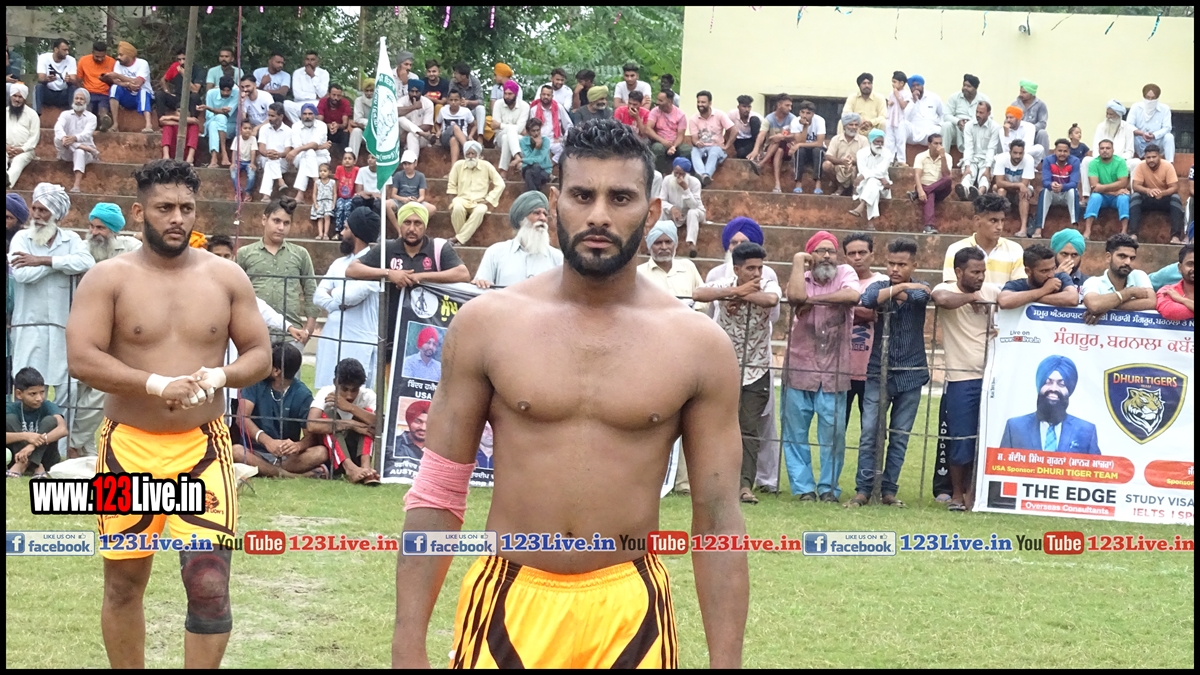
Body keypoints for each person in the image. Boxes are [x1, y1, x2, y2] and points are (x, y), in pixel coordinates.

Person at [392, 118, 748, 669]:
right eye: (583, 195)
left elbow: (718, 517)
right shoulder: (489, 325)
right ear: (556, 202)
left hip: (632, 612)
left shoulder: (698, 346)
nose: (599, 215)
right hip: (507, 601)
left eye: (620, 197)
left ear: (652, 211)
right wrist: (407, 643)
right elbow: (439, 492)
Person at [64, 159, 273, 668]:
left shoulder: (226, 276)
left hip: (203, 447)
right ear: (140, 213)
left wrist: (218, 376)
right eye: (164, 208)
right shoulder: (108, 277)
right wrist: (156, 384)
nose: (177, 218)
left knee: (209, 585)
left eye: (186, 208)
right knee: (123, 584)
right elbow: (82, 358)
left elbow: (259, 354)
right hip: (127, 447)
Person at [693, 242, 780, 506]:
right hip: (723, 367)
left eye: (759, 268)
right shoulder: (725, 283)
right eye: (750, 268)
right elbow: (698, 294)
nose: (756, 273)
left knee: (749, 429)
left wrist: (741, 296)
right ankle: (716, 483)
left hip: (757, 368)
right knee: (717, 426)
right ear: (737, 269)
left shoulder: (768, 284)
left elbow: (771, 300)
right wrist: (733, 291)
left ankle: (744, 486)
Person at [848, 238, 928, 509]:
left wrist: (898, 291)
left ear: (914, 265)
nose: (895, 269)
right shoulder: (879, 285)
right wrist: (902, 287)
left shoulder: (922, 286)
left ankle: (889, 491)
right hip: (877, 370)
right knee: (869, 432)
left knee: (899, 435)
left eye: (902, 265)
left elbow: (921, 297)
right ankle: (863, 489)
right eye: (891, 264)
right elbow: (868, 299)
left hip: (912, 372)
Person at [10, 184, 94, 436]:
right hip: (28, 327)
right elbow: (22, 274)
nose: (36, 215)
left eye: (43, 210)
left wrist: (43, 260)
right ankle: (23, 443)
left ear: (57, 214)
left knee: (67, 388)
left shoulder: (72, 240)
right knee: (26, 388)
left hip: (62, 328)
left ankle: (58, 446)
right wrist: (59, 266)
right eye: (34, 208)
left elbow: (86, 262)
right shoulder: (21, 239)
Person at [781, 231, 860, 504]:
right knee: (795, 433)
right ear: (810, 255)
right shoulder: (801, 278)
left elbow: (853, 295)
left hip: (834, 369)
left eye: (831, 251)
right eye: (820, 251)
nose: (826, 256)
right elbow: (795, 297)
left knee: (834, 434)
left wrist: (812, 301)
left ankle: (828, 488)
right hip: (799, 366)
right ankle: (804, 488)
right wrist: (797, 260)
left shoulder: (846, 273)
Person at [345, 202, 469, 360]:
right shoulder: (387, 248)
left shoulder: (438, 248)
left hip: (430, 330)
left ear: (425, 226)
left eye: (417, 223)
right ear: (399, 224)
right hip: (392, 334)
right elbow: (352, 269)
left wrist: (421, 277)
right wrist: (389, 273)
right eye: (407, 222)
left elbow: (463, 274)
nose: (412, 228)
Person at [67, 203, 141, 458]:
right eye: (92, 226)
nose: (94, 232)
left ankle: (75, 443)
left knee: (102, 389)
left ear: (113, 230)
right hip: (80, 326)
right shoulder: (81, 248)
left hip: (116, 330)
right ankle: (84, 450)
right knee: (77, 388)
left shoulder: (131, 249)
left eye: (101, 228)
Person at [931, 248, 999, 511]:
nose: (980, 277)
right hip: (961, 378)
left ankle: (976, 493)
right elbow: (940, 299)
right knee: (961, 438)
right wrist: (971, 297)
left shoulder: (991, 291)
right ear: (959, 272)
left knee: (988, 436)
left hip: (992, 377)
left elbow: (1009, 300)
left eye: (983, 271)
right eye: (974, 272)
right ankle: (957, 494)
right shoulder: (946, 288)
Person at [230, 341, 325, 479]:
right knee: (236, 451)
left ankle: (267, 470)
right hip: (255, 451)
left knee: (321, 452)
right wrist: (268, 441)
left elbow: (310, 436)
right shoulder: (255, 382)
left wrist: (297, 446)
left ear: (276, 371)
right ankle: (290, 475)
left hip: (286, 456)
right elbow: (242, 418)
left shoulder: (303, 394)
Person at [236, 196, 318, 345]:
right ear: (264, 220)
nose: (281, 227)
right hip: (255, 333)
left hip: (291, 336)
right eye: (276, 221)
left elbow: (311, 291)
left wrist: (309, 329)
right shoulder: (245, 253)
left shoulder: (300, 254)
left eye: (286, 223)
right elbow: (236, 293)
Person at [314, 206, 380, 388]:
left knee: (356, 396)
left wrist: (333, 293)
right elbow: (318, 296)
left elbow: (349, 296)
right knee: (326, 395)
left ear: (356, 233)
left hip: (358, 342)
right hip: (331, 339)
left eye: (346, 228)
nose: (342, 233)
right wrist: (338, 303)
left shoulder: (374, 265)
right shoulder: (339, 263)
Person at [999, 355, 1100, 455]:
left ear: (1069, 389)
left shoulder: (1086, 431)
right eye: (1048, 382)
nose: (1054, 389)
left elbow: (1096, 465)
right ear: (1039, 385)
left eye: (1061, 384)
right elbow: (1000, 464)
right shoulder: (1015, 427)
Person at [307, 357, 379, 485]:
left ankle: (366, 468)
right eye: (344, 389)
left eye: (354, 390)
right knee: (328, 414)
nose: (349, 395)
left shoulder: (368, 396)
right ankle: (349, 468)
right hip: (331, 454)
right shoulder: (326, 393)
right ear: (335, 383)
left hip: (355, 450)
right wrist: (350, 424)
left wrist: (350, 408)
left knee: (368, 416)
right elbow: (311, 425)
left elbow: (380, 425)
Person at [841, 233, 887, 429]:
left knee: (872, 430)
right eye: (852, 253)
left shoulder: (883, 282)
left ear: (872, 255)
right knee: (835, 430)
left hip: (873, 370)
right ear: (845, 257)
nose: (857, 257)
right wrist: (864, 312)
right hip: (841, 369)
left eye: (862, 252)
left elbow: (877, 314)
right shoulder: (839, 281)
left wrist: (845, 308)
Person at [473, 190, 562, 289]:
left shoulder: (557, 258)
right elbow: (481, 289)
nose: (543, 218)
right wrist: (480, 283)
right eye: (536, 213)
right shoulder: (496, 252)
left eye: (545, 214)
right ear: (522, 219)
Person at [943, 193, 1027, 286]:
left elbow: (1018, 288)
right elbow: (951, 288)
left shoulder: (1015, 249)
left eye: (1002, 220)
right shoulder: (956, 249)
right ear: (977, 220)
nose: (1000, 227)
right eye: (993, 221)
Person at [6, 367, 67, 478]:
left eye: (42, 392)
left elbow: (63, 430)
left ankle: (23, 465)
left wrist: (32, 445)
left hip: (47, 459)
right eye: (33, 394)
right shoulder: (10, 408)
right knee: (9, 419)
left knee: (50, 421)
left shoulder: (47, 406)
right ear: (19, 394)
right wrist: (25, 436)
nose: (39, 398)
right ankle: (36, 466)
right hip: (17, 456)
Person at [1081, 233, 1155, 323]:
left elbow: (1152, 302)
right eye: (1122, 256)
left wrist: (1106, 306)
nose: (1128, 262)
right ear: (1108, 257)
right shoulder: (1093, 282)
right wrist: (1129, 293)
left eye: (1132, 258)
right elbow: (1094, 305)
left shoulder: (1138, 276)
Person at [445, 141, 505, 245]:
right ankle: (462, 239)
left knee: (481, 210)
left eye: (473, 153)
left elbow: (500, 184)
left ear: (478, 155)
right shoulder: (458, 165)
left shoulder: (486, 165)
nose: (470, 156)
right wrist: (451, 203)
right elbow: (451, 186)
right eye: (468, 154)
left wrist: (489, 199)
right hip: (461, 200)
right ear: (464, 155)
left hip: (479, 202)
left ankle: (457, 239)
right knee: (457, 207)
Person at [636, 220, 704, 308]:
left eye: (668, 242)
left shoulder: (688, 267)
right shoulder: (639, 274)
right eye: (658, 243)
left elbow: (703, 299)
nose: (664, 247)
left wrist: (690, 309)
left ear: (675, 244)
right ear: (649, 246)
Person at [1081, 100, 1140, 199]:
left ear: (1118, 115)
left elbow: (1130, 151)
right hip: (1102, 160)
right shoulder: (1101, 127)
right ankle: (1086, 195)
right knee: (1086, 160)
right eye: (1107, 114)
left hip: (1121, 162)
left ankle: (1134, 196)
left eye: (1111, 114)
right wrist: (1102, 159)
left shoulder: (1128, 128)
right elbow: (1096, 148)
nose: (1108, 117)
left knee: (1136, 162)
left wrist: (1118, 160)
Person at [1130, 143, 1185, 244]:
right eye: (1148, 157)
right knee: (1135, 196)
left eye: (1154, 157)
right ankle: (1133, 234)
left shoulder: (1167, 166)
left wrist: (1163, 193)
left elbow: (1175, 187)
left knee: (1176, 198)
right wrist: (1148, 191)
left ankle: (1176, 237)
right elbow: (1135, 186)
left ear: (1159, 156)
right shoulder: (1141, 166)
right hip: (1148, 197)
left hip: (1164, 198)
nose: (1151, 160)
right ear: (1145, 157)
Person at [997, 245, 1081, 309]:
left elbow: (1073, 299)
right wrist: (1044, 290)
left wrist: (1026, 299)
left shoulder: (1061, 277)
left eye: (1053, 268)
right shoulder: (1016, 285)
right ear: (1028, 271)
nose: (1051, 275)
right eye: (1044, 271)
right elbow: (1004, 301)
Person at [1030, 138, 1081, 239]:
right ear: (1055, 151)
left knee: (1073, 192)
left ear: (1069, 152)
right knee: (1044, 192)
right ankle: (1038, 229)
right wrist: (1051, 185)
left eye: (1065, 151)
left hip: (1067, 193)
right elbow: (1045, 181)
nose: (1062, 153)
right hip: (1052, 192)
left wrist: (1062, 187)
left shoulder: (1075, 161)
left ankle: (1075, 228)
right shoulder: (1048, 160)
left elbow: (1074, 183)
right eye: (1060, 151)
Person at [1081, 139, 1131, 240]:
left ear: (1113, 150)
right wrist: (1114, 192)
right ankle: (1087, 230)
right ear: (1098, 151)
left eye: (1108, 148)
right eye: (1102, 148)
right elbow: (1094, 186)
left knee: (1124, 198)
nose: (1105, 150)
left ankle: (1124, 231)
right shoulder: (1094, 163)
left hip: (1116, 197)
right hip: (1102, 196)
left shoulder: (1120, 162)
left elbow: (1123, 182)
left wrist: (1102, 187)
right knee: (1094, 197)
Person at [53, 89, 100, 192]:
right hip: (67, 152)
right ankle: (86, 148)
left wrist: (74, 138)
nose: (78, 101)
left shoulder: (92, 117)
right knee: (57, 138)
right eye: (76, 98)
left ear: (86, 101)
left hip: (86, 154)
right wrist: (63, 137)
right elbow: (58, 127)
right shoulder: (65, 114)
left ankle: (76, 185)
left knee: (79, 151)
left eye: (81, 99)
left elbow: (87, 134)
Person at [104, 41, 154, 133]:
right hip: (127, 96)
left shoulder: (142, 63)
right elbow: (116, 81)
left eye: (121, 55)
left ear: (129, 55)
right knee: (114, 88)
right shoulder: (118, 64)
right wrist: (127, 84)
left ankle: (148, 125)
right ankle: (115, 124)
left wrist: (118, 76)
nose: (118, 57)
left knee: (143, 92)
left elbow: (137, 83)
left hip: (141, 96)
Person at [987, 139, 1036, 235]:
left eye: (1020, 153)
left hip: (1020, 191)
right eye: (1015, 153)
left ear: (1023, 153)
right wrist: (1018, 184)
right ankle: (997, 225)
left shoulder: (1029, 159)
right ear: (1010, 152)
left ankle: (1023, 229)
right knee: (1000, 190)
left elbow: (1024, 184)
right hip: (1007, 189)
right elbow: (999, 182)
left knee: (1024, 194)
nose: (1017, 156)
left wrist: (1018, 185)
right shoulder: (1001, 158)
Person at [288, 103, 332, 204]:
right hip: (300, 157)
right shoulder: (295, 126)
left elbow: (314, 144)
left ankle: (300, 194)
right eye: (304, 114)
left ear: (315, 115)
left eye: (310, 114)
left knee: (308, 155)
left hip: (321, 158)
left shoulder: (322, 125)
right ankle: (318, 183)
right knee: (309, 153)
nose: (307, 116)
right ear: (301, 115)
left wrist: (299, 149)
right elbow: (298, 145)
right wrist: (320, 146)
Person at [955, 101, 1000, 200]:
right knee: (968, 174)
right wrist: (967, 166)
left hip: (987, 159)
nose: (978, 115)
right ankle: (964, 191)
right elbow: (968, 147)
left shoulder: (995, 127)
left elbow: (991, 148)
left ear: (988, 113)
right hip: (972, 157)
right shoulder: (969, 125)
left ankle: (979, 193)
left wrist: (988, 169)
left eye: (981, 112)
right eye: (977, 112)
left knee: (984, 176)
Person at [688, 90, 734, 186]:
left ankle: (706, 175)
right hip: (701, 147)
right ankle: (703, 176)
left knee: (714, 152)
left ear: (710, 103)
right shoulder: (693, 119)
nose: (700, 104)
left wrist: (727, 146)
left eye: (703, 102)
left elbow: (734, 130)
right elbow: (694, 138)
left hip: (716, 146)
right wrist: (697, 143)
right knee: (694, 151)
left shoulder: (719, 114)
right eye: (698, 102)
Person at [909, 133, 951, 234]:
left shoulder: (947, 157)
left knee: (948, 180)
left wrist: (943, 157)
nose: (939, 146)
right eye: (936, 143)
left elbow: (946, 175)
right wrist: (920, 190)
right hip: (924, 185)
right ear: (929, 144)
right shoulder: (920, 156)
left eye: (940, 143)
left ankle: (916, 194)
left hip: (941, 188)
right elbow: (917, 175)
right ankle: (928, 226)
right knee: (930, 194)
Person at [847, 129, 890, 228]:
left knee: (873, 182)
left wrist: (863, 176)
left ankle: (861, 206)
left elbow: (881, 171)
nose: (880, 144)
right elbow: (863, 170)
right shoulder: (861, 153)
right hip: (865, 185)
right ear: (871, 141)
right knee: (873, 184)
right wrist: (879, 178)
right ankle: (871, 223)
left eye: (882, 142)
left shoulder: (887, 153)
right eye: (877, 141)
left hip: (883, 187)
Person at [750, 95, 795, 187]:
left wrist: (782, 137)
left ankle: (761, 164)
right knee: (778, 146)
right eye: (787, 105)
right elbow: (761, 134)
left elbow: (796, 135)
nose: (790, 108)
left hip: (788, 149)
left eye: (790, 106)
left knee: (779, 141)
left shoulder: (793, 119)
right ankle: (777, 185)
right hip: (772, 149)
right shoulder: (769, 118)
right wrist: (755, 149)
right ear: (779, 105)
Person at [490, 79, 530, 180]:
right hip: (499, 137)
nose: (507, 96)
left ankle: (503, 171)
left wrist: (500, 125)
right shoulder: (498, 104)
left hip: (518, 138)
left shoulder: (525, 106)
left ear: (515, 94)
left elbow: (520, 129)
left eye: (510, 94)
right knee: (507, 133)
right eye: (505, 93)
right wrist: (507, 127)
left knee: (506, 137)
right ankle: (517, 156)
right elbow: (495, 129)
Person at [645, 90, 691, 175]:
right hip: (660, 141)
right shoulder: (655, 111)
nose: (657, 102)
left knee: (687, 150)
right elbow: (648, 129)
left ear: (670, 101)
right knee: (657, 148)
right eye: (657, 99)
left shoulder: (680, 115)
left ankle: (682, 174)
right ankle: (660, 173)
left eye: (661, 100)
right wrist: (663, 141)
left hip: (675, 142)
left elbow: (680, 135)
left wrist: (674, 146)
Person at [941, 74, 989, 153]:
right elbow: (946, 116)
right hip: (957, 129)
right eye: (964, 85)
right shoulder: (954, 97)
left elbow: (989, 118)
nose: (965, 88)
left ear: (975, 88)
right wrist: (958, 121)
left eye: (969, 86)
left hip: (975, 130)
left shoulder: (984, 99)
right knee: (946, 126)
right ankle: (944, 156)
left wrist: (971, 124)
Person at [788, 100, 826, 194]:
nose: (805, 116)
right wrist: (805, 127)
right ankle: (798, 184)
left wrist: (799, 144)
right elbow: (800, 141)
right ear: (799, 112)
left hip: (817, 150)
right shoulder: (795, 122)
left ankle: (818, 184)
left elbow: (819, 143)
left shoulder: (820, 120)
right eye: (803, 112)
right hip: (804, 150)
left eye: (808, 113)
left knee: (817, 151)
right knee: (799, 151)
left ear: (813, 114)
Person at [529, 84, 573, 165]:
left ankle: (551, 163)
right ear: (540, 95)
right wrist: (537, 140)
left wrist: (564, 139)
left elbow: (569, 126)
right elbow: (531, 129)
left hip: (556, 141)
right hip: (540, 141)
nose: (545, 97)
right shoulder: (533, 110)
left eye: (548, 95)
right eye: (544, 94)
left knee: (567, 149)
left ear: (552, 96)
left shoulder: (559, 107)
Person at [823, 113, 866, 197]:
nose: (854, 127)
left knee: (860, 167)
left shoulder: (863, 140)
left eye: (856, 125)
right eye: (851, 124)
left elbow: (867, 159)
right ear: (844, 126)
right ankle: (839, 186)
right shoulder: (836, 139)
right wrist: (841, 161)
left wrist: (853, 161)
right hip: (839, 167)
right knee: (826, 165)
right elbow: (828, 156)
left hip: (856, 168)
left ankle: (855, 189)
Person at [6, 84, 40, 188]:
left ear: (24, 99)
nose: (17, 99)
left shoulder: (32, 114)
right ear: (10, 96)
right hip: (6, 148)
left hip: (25, 151)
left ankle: (7, 187)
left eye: (20, 97)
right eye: (15, 96)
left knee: (17, 163)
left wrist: (21, 149)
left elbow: (34, 137)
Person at [1128, 84, 1174, 161]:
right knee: (1129, 134)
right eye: (1147, 97)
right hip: (1139, 142)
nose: (1150, 101)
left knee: (1169, 137)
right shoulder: (1135, 107)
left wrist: (1154, 135)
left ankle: (1170, 163)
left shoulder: (1165, 109)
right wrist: (1142, 133)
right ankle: (1126, 160)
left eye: (1153, 98)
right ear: (1144, 96)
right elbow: (1129, 125)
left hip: (1156, 142)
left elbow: (1167, 128)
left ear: (1157, 98)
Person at [256, 103, 291, 201]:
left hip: (282, 162)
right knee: (270, 161)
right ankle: (280, 181)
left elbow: (287, 152)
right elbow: (261, 149)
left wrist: (277, 155)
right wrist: (268, 154)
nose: (270, 118)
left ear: (281, 116)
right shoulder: (264, 128)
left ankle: (266, 196)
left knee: (270, 162)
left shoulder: (288, 131)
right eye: (269, 115)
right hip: (265, 159)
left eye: (273, 116)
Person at [34, 38, 78, 114]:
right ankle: (37, 114)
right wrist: (47, 79)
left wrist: (69, 80)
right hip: (49, 93)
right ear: (56, 49)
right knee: (38, 87)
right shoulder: (43, 58)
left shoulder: (71, 60)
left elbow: (74, 80)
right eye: (64, 50)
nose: (67, 52)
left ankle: (73, 114)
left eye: (67, 50)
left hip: (63, 94)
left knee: (73, 88)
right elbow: (40, 78)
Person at [284, 50, 328, 124]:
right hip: (300, 104)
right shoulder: (297, 73)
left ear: (317, 62)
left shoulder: (324, 73)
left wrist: (313, 76)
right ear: (304, 61)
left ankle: (313, 126)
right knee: (286, 104)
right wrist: (315, 96)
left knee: (322, 106)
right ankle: (298, 125)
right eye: (307, 59)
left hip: (316, 104)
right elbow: (297, 95)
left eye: (312, 60)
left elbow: (322, 94)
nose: (309, 62)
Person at [389, 150, 437, 217]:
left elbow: (422, 196)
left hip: (415, 202)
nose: (407, 166)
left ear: (415, 163)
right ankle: (396, 224)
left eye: (409, 164)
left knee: (432, 208)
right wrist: (404, 199)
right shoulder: (398, 175)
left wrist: (416, 202)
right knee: (386, 204)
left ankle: (416, 221)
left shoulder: (420, 176)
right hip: (400, 201)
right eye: (405, 164)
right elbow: (393, 195)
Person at [397, 79, 435, 163]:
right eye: (412, 91)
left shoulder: (428, 103)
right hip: (401, 136)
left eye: (417, 92)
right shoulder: (402, 100)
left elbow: (427, 126)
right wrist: (413, 107)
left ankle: (412, 164)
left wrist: (408, 132)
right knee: (399, 117)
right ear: (408, 91)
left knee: (411, 135)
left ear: (421, 92)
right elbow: (397, 113)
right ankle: (412, 164)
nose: (414, 94)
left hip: (421, 138)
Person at [203, 76, 237, 169]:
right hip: (212, 121)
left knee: (217, 122)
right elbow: (209, 116)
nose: (225, 93)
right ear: (219, 88)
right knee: (217, 120)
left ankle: (214, 158)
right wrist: (220, 112)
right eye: (223, 90)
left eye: (228, 91)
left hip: (230, 126)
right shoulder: (211, 93)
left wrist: (213, 110)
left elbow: (227, 113)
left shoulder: (236, 93)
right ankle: (223, 152)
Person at [77, 41, 115, 122]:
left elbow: (115, 81)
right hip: (88, 93)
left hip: (104, 93)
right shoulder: (83, 61)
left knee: (103, 110)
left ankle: (104, 120)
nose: (100, 59)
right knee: (87, 110)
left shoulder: (112, 62)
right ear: (92, 52)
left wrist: (108, 81)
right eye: (97, 56)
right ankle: (87, 122)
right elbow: (79, 80)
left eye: (102, 57)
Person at [436, 89, 475, 167]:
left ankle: (453, 169)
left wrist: (471, 135)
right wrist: (438, 131)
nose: (453, 102)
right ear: (448, 101)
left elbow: (474, 125)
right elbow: (437, 123)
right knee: (455, 127)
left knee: (453, 139)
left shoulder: (466, 111)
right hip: (445, 138)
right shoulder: (443, 110)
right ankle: (468, 150)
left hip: (462, 139)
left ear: (460, 100)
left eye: (456, 100)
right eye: (451, 100)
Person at [1156, 243, 1194, 320]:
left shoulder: (1175, 295)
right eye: (1190, 264)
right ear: (1180, 268)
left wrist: (1181, 300)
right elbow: (1170, 312)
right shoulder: (1168, 290)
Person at [1010, 79, 1050, 152]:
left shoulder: (1040, 105)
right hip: (1017, 133)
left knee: (1042, 133)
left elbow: (1042, 123)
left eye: (1024, 92)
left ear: (1032, 93)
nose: (1021, 94)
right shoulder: (1015, 104)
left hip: (1034, 134)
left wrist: (1030, 130)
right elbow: (1009, 120)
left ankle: (1044, 158)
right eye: (1020, 91)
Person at [448, 63, 486, 138]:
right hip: (458, 110)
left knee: (481, 108)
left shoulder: (475, 82)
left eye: (456, 74)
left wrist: (468, 102)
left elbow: (481, 101)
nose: (454, 76)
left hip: (472, 112)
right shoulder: (453, 82)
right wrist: (458, 101)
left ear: (463, 76)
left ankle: (480, 136)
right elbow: (449, 98)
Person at [841, 72, 885, 136]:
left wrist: (871, 122)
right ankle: (841, 141)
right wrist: (858, 121)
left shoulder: (879, 98)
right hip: (856, 128)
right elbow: (845, 114)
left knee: (884, 123)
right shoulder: (852, 97)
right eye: (864, 83)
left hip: (873, 129)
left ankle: (881, 142)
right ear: (859, 85)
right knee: (841, 122)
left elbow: (884, 116)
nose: (867, 86)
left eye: (869, 83)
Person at [517, 117, 554, 192]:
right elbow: (529, 160)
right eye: (533, 131)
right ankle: (536, 193)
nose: (536, 133)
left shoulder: (546, 140)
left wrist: (522, 160)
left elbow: (540, 160)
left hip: (544, 170)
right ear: (528, 132)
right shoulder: (523, 141)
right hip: (527, 168)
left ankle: (533, 194)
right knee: (531, 169)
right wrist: (537, 148)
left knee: (530, 172)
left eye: (538, 130)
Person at [905, 75, 944, 145]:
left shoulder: (934, 97)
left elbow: (943, 114)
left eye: (918, 85)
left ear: (922, 85)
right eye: (913, 86)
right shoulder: (906, 99)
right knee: (903, 124)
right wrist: (913, 101)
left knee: (939, 129)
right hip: (914, 133)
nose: (916, 88)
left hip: (931, 133)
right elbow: (905, 117)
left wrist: (940, 125)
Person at [884, 71, 912, 165]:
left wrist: (897, 95)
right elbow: (889, 104)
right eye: (892, 82)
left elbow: (903, 105)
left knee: (900, 140)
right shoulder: (891, 93)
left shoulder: (907, 94)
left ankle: (901, 160)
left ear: (902, 83)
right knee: (889, 140)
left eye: (895, 82)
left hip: (900, 120)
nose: (893, 84)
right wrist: (889, 103)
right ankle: (889, 160)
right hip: (890, 119)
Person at [317, 83, 353, 155]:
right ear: (328, 94)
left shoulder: (345, 103)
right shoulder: (323, 102)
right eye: (334, 95)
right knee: (319, 131)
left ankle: (343, 156)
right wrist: (328, 125)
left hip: (339, 130)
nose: (336, 98)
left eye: (338, 95)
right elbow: (319, 121)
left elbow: (345, 124)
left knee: (345, 134)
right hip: (325, 130)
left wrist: (337, 126)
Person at [728, 95, 763, 160]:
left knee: (754, 120)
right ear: (738, 107)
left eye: (749, 107)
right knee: (738, 154)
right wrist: (729, 146)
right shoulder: (732, 114)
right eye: (744, 106)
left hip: (752, 140)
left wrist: (759, 149)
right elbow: (728, 131)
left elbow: (762, 133)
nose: (747, 109)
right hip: (737, 140)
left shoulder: (757, 116)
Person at [346, 78, 374, 160]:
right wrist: (371, 123)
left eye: (371, 90)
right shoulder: (359, 100)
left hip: (378, 134)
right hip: (364, 133)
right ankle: (351, 159)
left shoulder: (380, 101)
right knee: (356, 131)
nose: (369, 93)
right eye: (367, 90)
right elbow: (357, 119)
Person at [230, 120, 258, 202]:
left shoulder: (253, 139)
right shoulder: (237, 139)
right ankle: (238, 191)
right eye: (245, 128)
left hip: (248, 162)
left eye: (249, 128)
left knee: (251, 174)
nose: (247, 130)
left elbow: (253, 151)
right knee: (233, 173)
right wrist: (233, 163)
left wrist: (252, 163)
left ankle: (248, 192)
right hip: (238, 161)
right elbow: (234, 151)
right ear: (240, 129)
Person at [332, 151, 359, 233]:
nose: (347, 160)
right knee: (340, 207)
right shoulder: (339, 169)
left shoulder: (357, 170)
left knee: (347, 207)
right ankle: (338, 231)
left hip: (351, 197)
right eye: (345, 158)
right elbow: (336, 185)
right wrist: (334, 199)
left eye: (349, 159)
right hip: (340, 197)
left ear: (354, 161)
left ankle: (346, 230)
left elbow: (357, 185)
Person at [311, 164, 335, 240]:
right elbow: (314, 194)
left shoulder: (332, 182)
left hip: (328, 202)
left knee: (327, 217)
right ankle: (320, 233)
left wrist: (333, 203)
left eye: (325, 171)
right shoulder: (317, 182)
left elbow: (334, 194)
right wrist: (315, 203)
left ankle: (326, 234)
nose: (322, 173)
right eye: (320, 171)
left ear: (329, 172)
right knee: (320, 218)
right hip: (319, 202)